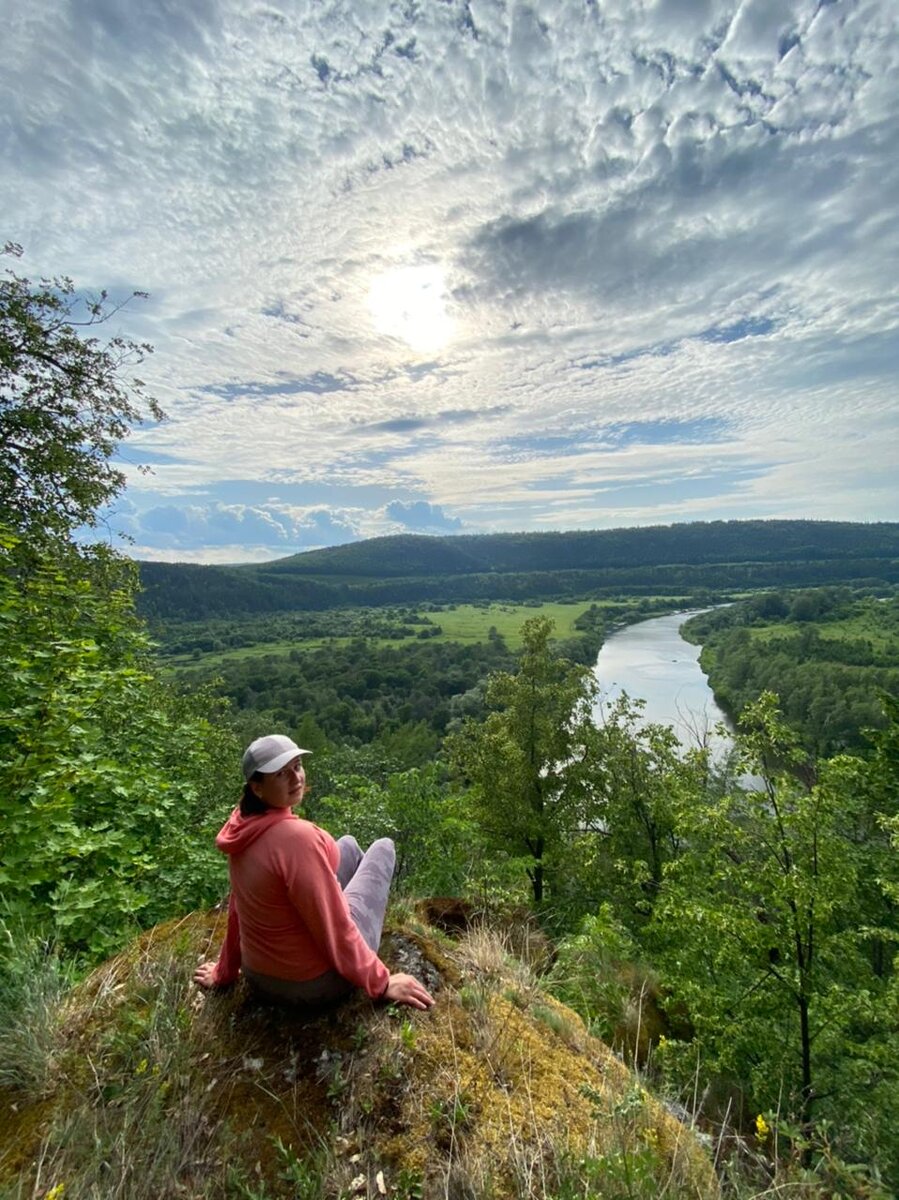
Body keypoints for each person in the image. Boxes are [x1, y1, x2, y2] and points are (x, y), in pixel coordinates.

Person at [193, 734, 434, 1011]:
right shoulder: (297, 840)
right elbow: (333, 924)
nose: (296, 779)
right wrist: (381, 982)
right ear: (257, 787)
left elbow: (239, 908)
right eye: (281, 774)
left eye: (297, 766)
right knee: (383, 847)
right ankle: (359, 953)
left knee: (349, 846)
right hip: (310, 985)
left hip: (260, 976)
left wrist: (225, 972)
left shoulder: (243, 829)